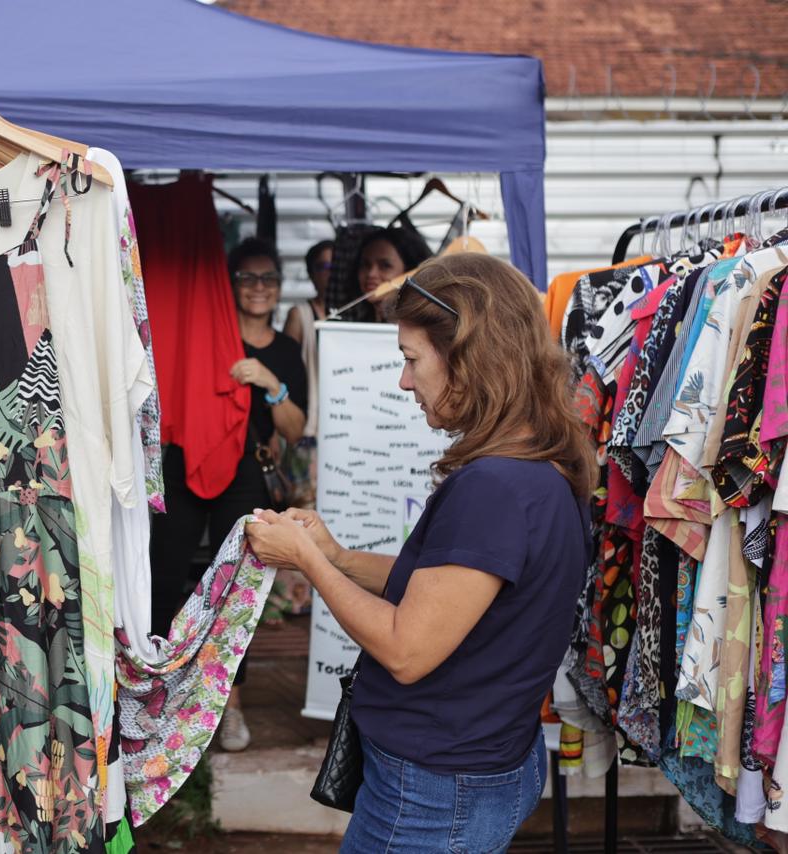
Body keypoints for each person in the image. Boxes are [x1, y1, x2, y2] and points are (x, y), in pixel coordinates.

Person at [245, 253, 594, 852]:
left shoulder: (494, 487)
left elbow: (408, 649)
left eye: (411, 360)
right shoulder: (539, 461)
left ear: (470, 360)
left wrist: (306, 560)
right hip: (475, 770)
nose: (404, 382)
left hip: (436, 794)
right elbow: (452, 591)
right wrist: (336, 553)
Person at [150, 236, 307, 752]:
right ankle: (159, 698)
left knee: (232, 589)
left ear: (280, 287)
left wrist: (269, 382)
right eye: (248, 277)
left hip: (245, 472)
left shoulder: (283, 350)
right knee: (165, 578)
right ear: (229, 282)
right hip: (186, 462)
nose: (259, 288)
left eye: (269, 279)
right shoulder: (208, 336)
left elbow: (294, 427)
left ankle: (228, 705)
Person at [349, 226, 433, 322]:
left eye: (385, 265)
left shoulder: (419, 327)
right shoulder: (357, 323)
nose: (371, 274)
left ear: (410, 272)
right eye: (365, 265)